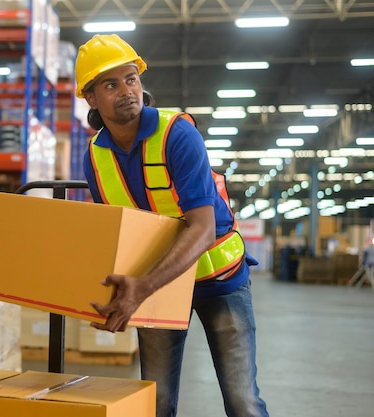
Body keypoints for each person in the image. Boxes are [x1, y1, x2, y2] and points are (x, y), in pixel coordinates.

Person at [75, 34, 270, 417]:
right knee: (157, 403)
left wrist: (140, 288)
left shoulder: (177, 134)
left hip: (219, 280)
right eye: (110, 84)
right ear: (92, 98)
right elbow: (117, 233)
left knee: (242, 401)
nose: (126, 90)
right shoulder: (95, 156)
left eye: (131, 78)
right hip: (158, 288)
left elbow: (202, 226)